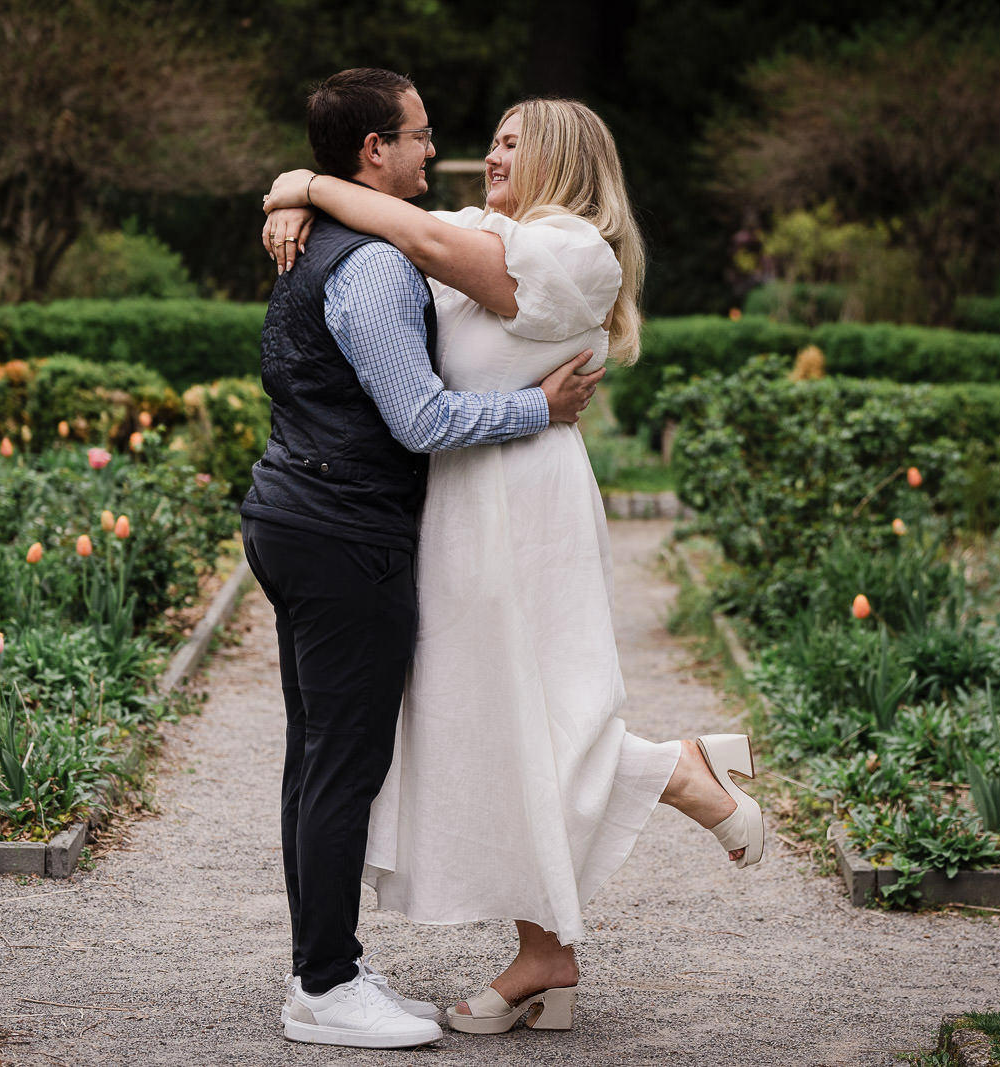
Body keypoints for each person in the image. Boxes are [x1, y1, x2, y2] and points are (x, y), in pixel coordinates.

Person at [260, 95, 765, 1038]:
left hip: (523, 502)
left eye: (509, 143)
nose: (486, 155)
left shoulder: (577, 252)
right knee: (483, 723)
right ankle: (546, 953)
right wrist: (292, 193)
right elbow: (401, 227)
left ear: (563, 159)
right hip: (458, 500)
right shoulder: (484, 230)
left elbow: (410, 230)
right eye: (489, 140)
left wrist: (309, 186)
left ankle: (672, 771)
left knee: (539, 709)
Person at [240, 69, 605, 1050]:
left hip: (300, 511)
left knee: (317, 757)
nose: (435, 152)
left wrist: (296, 189)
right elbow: (422, 420)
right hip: (342, 528)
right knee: (341, 765)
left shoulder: (343, 238)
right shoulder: (373, 266)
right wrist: (540, 407)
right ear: (375, 150)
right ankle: (323, 987)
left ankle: (328, 965)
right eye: (419, 136)